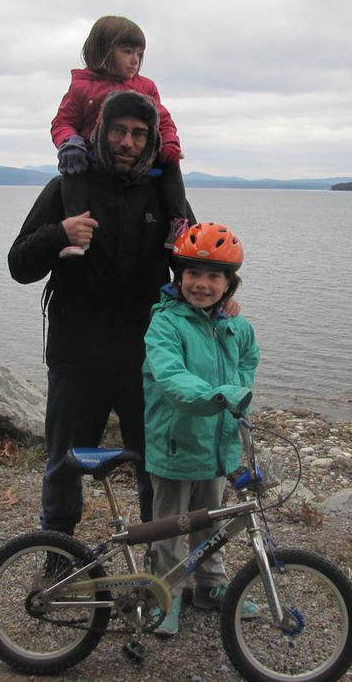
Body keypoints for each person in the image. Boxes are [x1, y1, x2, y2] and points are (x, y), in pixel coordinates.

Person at [8, 90, 192, 535]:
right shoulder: (67, 190)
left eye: (138, 134)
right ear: (100, 132)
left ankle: (158, 557)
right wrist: (59, 234)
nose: (127, 142)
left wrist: (226, 297)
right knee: (64, 462)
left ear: (150, 140)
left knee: (155, 464)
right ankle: (57, 551)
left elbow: (196, 266)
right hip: (77, 352)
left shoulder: (163, 198)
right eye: (118, 130)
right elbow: (19, 265)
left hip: (147, 356)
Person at [142, 222, 260, 637]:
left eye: (214, 276)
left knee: (211, 518)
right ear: (179, 276)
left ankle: (210, 585)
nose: (202, 284)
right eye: (193, 273)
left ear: (230, 284)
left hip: (217, 445)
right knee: (170, 525)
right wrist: (218, 396)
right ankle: (165, 595)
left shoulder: (236, 326)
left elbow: (248, 362)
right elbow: (171, 377)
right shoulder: (165, 324)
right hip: (175, 443)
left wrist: (238, 393)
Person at [51, 15, 189, 257]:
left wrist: (169, 143)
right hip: (89, 158)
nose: (135, 60)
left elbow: (164, 120)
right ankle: (76, 229)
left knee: (172, 163)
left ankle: (178, 224)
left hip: (142, 167)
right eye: (127, 51)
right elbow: (63, 122)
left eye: (139, 53)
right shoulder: (83, 87)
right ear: (102, 51)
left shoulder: (145, 87)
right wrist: (69, 142)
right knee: (73, 171)